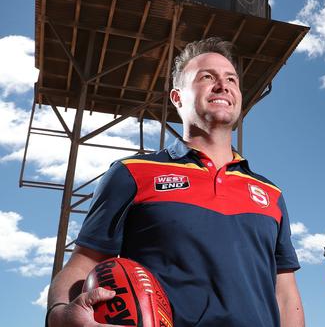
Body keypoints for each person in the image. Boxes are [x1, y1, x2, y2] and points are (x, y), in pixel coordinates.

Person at [46, 37, 304, 327]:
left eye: (231, 79)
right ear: (177, 97)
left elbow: (285, 292)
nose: (223, 85)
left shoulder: (271, 194)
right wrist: (59, 314)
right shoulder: (131, 172)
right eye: (207, 77)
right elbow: (85, 262)